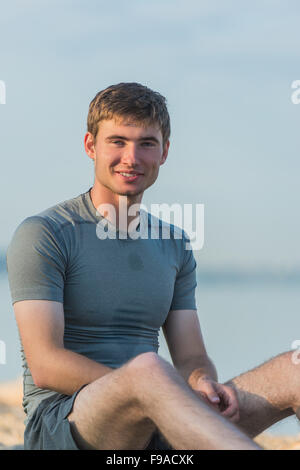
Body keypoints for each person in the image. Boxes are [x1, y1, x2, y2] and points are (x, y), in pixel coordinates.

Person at [6, 82, 261, 450]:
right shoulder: (45, 233)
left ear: (164, 152)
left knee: (293, 370)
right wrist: (145, 391)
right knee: (149, 368)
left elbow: (190, 356)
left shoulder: (174, 244)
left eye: (146, 143)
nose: (131, 157)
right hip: (64, 422)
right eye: (118, 141)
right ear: (90, 146)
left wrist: (201, 380)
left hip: (158, 412)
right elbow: (46, 363)